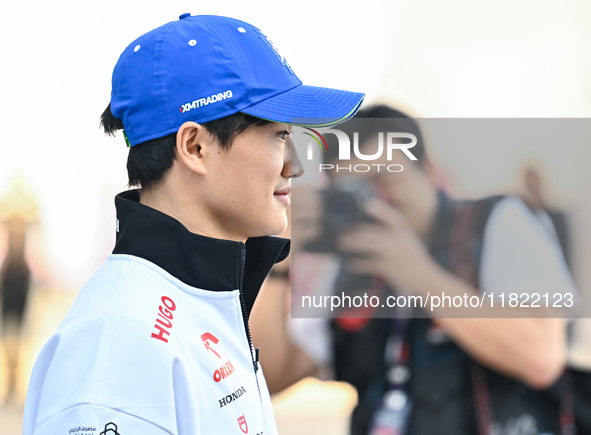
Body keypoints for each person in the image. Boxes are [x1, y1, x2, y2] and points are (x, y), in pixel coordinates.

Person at [22, 14, 364, 435]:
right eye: (278, 135)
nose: (294, 165)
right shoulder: (120, 344)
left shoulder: (204, 296)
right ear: (195, 147)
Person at [251, 105, 577, 435]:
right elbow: (271, 376)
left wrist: (414, 270)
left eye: (382, 180)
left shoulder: (497, 222)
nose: (374, 202)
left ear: (429, 171)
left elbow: (542, 356)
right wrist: (282, 258)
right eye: (353, 192)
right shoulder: (347, 265)